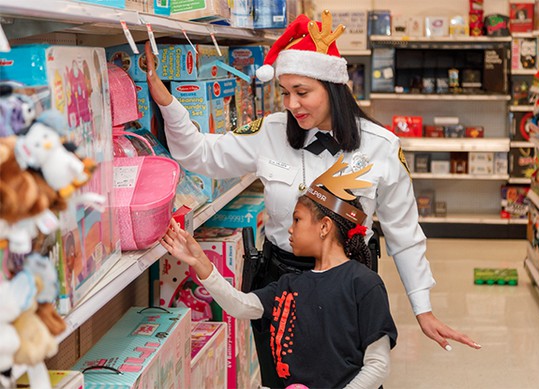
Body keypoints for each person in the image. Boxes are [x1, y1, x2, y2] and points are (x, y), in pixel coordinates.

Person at [145, 10, 481, 388]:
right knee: (282, 379)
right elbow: (200, 155)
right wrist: (164, 98)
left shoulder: (381, 147)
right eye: (285, 92)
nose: (291, 104)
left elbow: (404, 232)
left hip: (348, 284)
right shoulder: (269, 132)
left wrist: (423, 309)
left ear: (334, 87)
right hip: (279, 281)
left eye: (302, 92)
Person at [160, 158, 398, 388]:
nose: (290, 230)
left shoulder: (364, 284)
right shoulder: (290, 285)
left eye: (297, 220)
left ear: (324, 226)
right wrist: (200, 261)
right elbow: (240, 306)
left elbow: (377, 365)